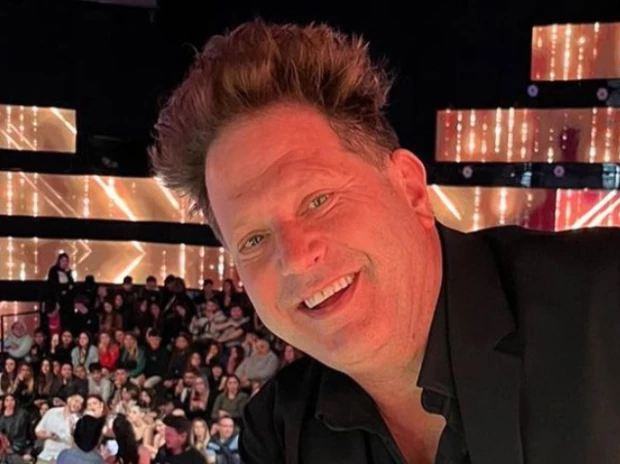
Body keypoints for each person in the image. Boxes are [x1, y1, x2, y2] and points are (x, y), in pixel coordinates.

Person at [149, 18, 620, 464]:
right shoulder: (278, 432)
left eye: (318, 200)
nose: (294, 257)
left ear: (410, 189)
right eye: (253, 239)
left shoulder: (605, 305)